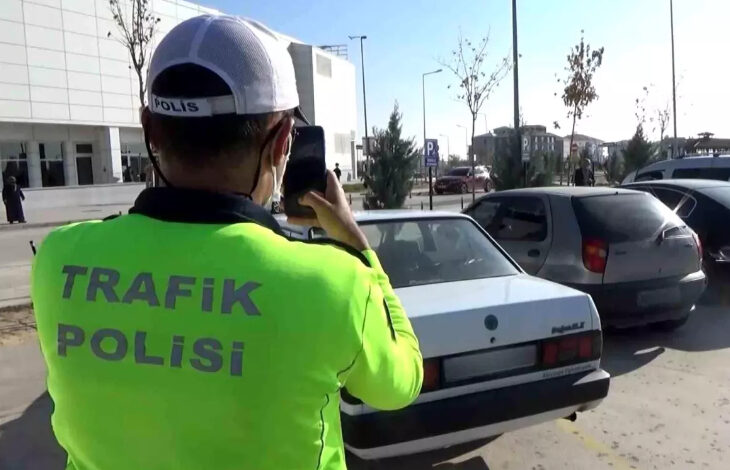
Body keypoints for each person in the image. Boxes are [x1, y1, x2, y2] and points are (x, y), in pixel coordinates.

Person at [31, 15, 422, 470]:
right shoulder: (336, 284)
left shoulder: (60, 259)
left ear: (150, 129)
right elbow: (401, 382)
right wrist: (359, 248)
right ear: (280, 145)